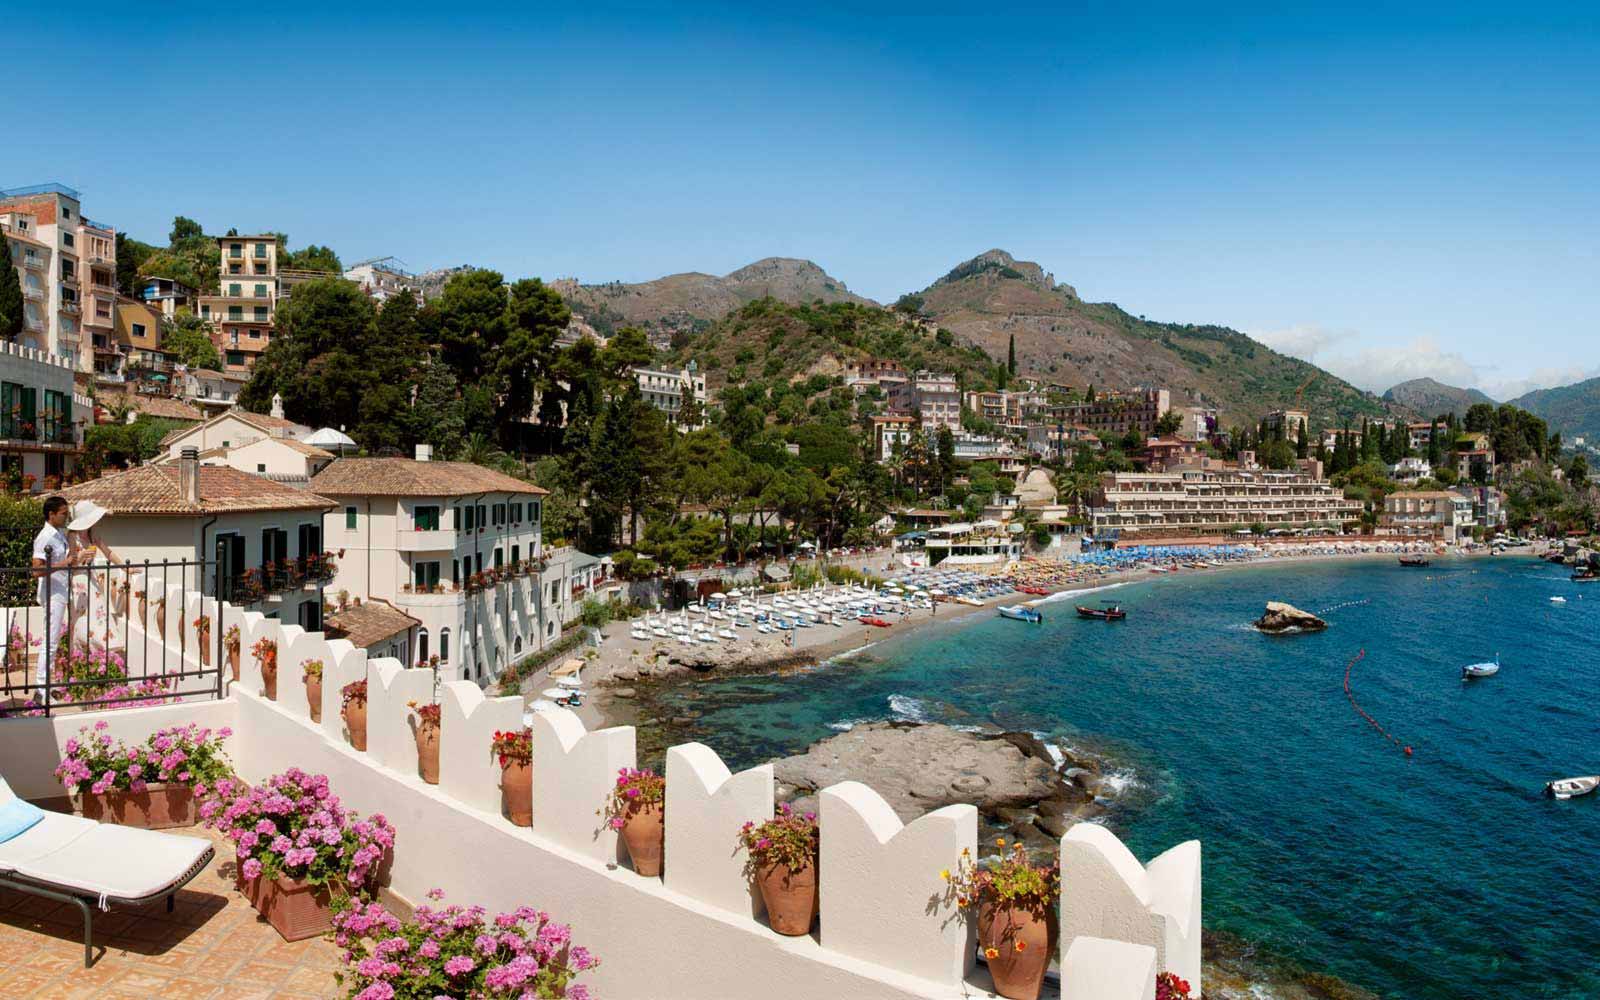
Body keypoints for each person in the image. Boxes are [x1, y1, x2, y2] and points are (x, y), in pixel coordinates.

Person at [30, 496, 78, 698]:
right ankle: (41, 688)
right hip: (52, 594)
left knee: (54, 641)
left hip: (60, 591)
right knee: (50, 642)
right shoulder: (45, 537)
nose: (66, 517)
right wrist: (64, 563)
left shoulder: (58, 534)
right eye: (63, 514)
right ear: (51, 515)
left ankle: (46, 685)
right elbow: (36, 571)